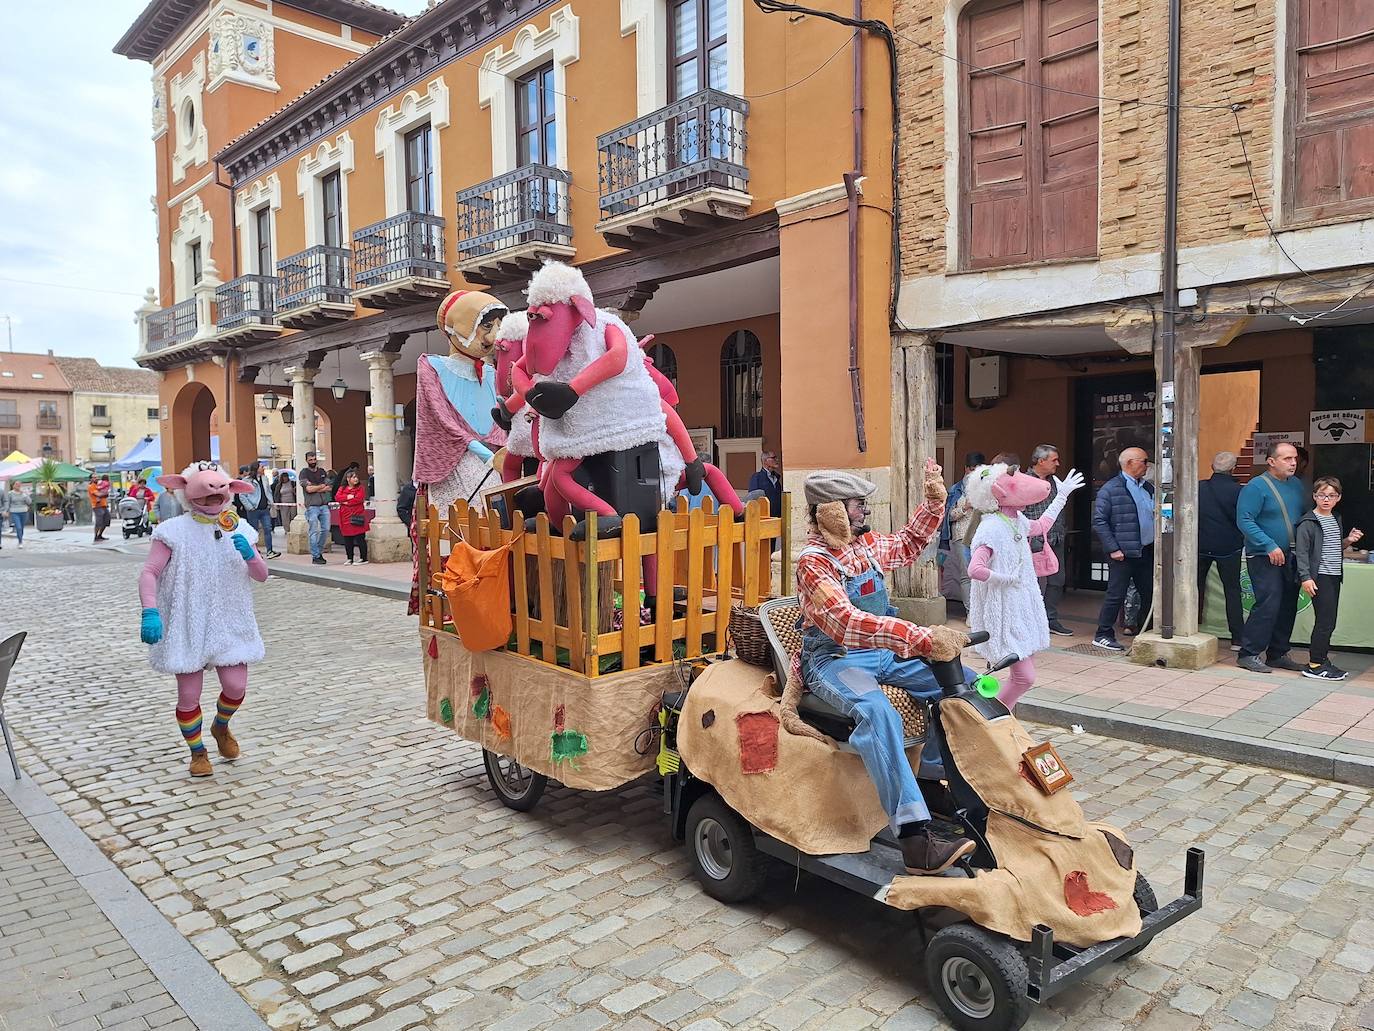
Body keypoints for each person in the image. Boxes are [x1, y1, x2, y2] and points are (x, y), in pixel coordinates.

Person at [795, 461, 976, 876]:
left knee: (963, 684)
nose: (865, 511)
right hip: (836, 658)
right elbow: (846, 623)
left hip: (881, 653)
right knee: (878, 714)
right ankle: (914, 838)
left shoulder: (865, 546)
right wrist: (919, 637)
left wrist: (935, 501)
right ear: (832, 512)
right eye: (858, 505)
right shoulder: (813, 562)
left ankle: (932, 781)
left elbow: (909, 544)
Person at [966, 461, 1085, 705]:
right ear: (997, 494)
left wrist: (1061, 495)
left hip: (1022, 608)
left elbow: (1041, 525)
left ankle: (996, 719)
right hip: (1005, 611)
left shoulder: (1015, 520)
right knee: (1024, 677)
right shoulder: (990, 528)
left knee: (1023, 676)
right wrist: (1005, 579)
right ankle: (991, 718)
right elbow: (975, 569)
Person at [1236, 441, 1307, 674]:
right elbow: (1245, 520)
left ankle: (1278, 653)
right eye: (1287, 458)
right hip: (1264, 555)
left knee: (1288, 604)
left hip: (1291, 555)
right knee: (1268, 603)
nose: (1293, 463)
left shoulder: (1297, 485)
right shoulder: (1256, 487)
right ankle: (1249, 653)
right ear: (1271, 461)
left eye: (1294, 458)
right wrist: (1268, 544)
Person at [1296, 477, 1363, 681]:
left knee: (1329, 621)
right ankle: (1315, 664)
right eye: (1322, 495)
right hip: (1320, 577)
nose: (1326, 499)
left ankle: (1321, 659)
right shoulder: (1308, 522)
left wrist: (1348, 541)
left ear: (1338, 498)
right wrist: (1306, 577)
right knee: (1324, 621)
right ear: (1314, 496)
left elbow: (1333, 547)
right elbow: (1302, 552)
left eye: (1331, 496)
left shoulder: (1335, 518)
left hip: (1334, 576)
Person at [1091, 447, 1153, 652]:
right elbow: (1099, 521)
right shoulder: (1111, 489)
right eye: (1143, 461)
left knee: (1149, 592)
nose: (1147, 465)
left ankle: (1148, 630)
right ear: (1129, 463)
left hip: (1145, 549)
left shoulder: (1148, 487)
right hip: (1122, 553)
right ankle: (1103, 634)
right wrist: (1113, 548)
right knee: (1116, 594)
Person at [1022, 444, 1073, 636]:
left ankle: (1049, 619)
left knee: (1057, 580)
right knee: (1031, 582)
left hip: (1056, 537)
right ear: (1040, 461)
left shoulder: (1055, 482)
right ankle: (1029, 620)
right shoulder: (1023, 481)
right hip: (1033, 539)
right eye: (1054, 460)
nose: (1058, 464)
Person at [1198, 451, 1246, 650]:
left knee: (1194, 588)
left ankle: (1192, 627)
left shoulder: (1199, 487)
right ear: (1233, 468)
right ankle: (1237, 637)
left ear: (1212, 467)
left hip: (1200, 545)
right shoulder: (1239, 491)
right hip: (1229, 547)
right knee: (1232, 591)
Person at [940, 451, 984, 609]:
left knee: (984, 576)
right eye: (971, 469)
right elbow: (948, 517)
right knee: (967, 575)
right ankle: (970, 612)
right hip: (962, 537)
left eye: (977, 469)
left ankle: (983, 612)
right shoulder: (956, 489)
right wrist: (965, 507)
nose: (973, 472)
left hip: (983, 537)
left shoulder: (989, 488)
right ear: (966, 469)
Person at [235, 465, 280, 559]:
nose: (263, 468)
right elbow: (242, 495)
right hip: (253, 510)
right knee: (253, 531)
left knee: (268, 529)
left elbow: (268, 492)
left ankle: (270, 551)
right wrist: (249, 507)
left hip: (264, 509)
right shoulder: (247, 481)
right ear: (256, 469)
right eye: (261, 467)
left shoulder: (265, 478)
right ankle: (255, 551)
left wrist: (271, 503)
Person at [299, 452, 331, 566]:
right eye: (310, 460)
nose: (313, 461)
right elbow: (308, 489)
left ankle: (319, 551)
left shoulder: (322, 472)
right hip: (312, 506)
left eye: (314, 459)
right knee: (313, 531)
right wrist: (321, 487)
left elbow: (328, 487)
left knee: (326, 529)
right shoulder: (304, 473)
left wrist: (316, 488)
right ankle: (316, 555)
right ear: (307, 460)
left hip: (324, 505)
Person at [336, 468, 369, 565]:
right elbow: (337, 497)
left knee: (360, 538)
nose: (355, 479)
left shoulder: (360, 488)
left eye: (356, 477)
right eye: (353, 477)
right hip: (345, 517)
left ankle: (364, 558)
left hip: (357, 516)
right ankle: (349, 558)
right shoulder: (342, 488)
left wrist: (346, 502)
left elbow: (358, 499)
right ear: (348, 479)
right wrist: (348, 497)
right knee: (347, 539)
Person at [747, 450, 783, 517]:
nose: (777, 460)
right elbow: (752, 500)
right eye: (773, 458)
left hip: (777, 518)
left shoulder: (776, 478)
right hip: (763, 517)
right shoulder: (757, 477)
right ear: (765, 461)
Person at [2, 483, 30, 547]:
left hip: (24, 511)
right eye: (16, 485)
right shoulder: (10, 493)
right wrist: (6, 511)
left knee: (22, 527)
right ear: (14, 486)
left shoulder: (23, 493)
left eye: (19, 485)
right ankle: (20, 542)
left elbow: (29, 502)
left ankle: (20, 539)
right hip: (14, 511)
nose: (18, 486)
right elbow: (7, 502)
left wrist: (25, 494)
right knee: (18, 527)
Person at [88, 474, 112, 542]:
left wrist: (104, 494)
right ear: (91, 479)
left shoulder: (99, 485)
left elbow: (104, 494)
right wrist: (104, 494)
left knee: (107, 519)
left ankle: (100, 535)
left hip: (103, 504)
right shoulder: (91, 486)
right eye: (94, 477)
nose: (96, 478)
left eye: (97, 477)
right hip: (97, 505)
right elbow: (98, 494)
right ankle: (96, 536)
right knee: (99, 521)